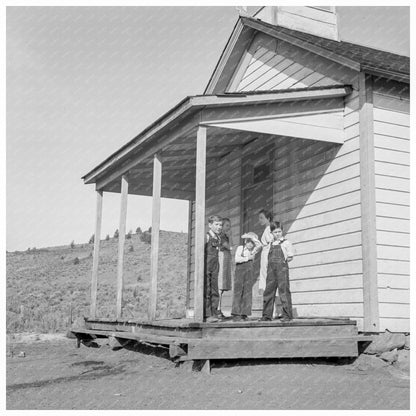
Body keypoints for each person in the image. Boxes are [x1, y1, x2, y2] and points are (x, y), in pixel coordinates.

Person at [260, 221, 295, 322]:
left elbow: (290, 256)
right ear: (271, 233)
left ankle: (287, 315)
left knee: (283, 291)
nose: (278, 234)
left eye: (279, 231)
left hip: (282, 269)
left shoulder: (286, 242)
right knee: (268, 291)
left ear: (282, 231)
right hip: (271, 270)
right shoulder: (271, 244)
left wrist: (283, 262)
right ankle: (266, 315)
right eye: (275, 232)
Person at [231, 232, 261, 321]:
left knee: (247, 291)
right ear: (245, 241)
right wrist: (247, 258)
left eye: (252, 242)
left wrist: (254, 238)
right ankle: (236, 314)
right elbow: (237, 259)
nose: (250, 244)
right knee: (238, 291)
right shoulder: (240, 248)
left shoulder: (254, 250)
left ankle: (245, 314)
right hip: (240, 270)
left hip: (249, 271)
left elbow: (260, 245)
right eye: (248, 242)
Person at [204, 215, 223, 323]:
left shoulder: (218, 237)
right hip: (207, 265)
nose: (219, 227)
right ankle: (207, 314)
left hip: (215, 265)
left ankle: (214, 313)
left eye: (220, 225)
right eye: (216, 224)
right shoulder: (207, 237)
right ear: (210, 225)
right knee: (207, 289)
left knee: (215, 289)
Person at [218, 218, 233, 318]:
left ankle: (219, 308)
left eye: (229, 225)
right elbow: (229, 246)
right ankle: (218, 309)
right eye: (227, 225)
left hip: (226, 258)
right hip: (222, 258)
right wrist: (230, 237)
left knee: (223, 286)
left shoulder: (225, 236)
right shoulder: (222, 236)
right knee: (220, 284)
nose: (229, 227)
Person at [257, 209, 274, 295]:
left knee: (265, 273)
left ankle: (266, 292)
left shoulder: (269, 228)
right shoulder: (267, 229)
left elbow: (271, 242)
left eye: (262, 218)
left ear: (268, 218)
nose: (260, 220)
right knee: (264, 273)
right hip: (264, 253)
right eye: (259, 218)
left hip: (267, 254)